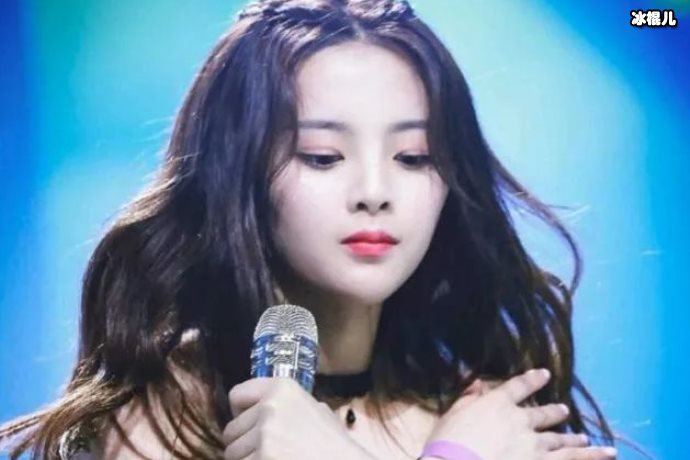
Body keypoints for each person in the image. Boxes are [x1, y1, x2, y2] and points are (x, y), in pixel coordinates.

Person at [0, 0, 621, 458]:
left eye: (414, 157)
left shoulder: (489, 418)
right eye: (323, 157)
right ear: (242, 174)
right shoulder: (162, 418)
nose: (375, 192)